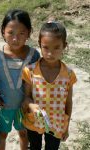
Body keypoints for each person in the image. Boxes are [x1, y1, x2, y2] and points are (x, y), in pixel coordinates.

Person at [22, 21, 77, 150]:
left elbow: (68, 103)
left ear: (65, 46)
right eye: (45, 47)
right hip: (34, 121)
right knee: (34, 146)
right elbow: (26, 97)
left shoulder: (69, 75)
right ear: (39, 45)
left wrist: (66, 127)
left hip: (57, 124)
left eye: (56, 47)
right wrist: (31, 105)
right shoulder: (30, 71)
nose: (50, 53)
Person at [0, 9, 40, 150]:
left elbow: (37, 80)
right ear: (3, 31)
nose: (15, 38)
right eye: (10, 33)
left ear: (29, 33)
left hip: (23, 106)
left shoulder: (33, 55)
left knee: (24, 134)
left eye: (21, 33)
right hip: (3, 106)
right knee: (2, 135)